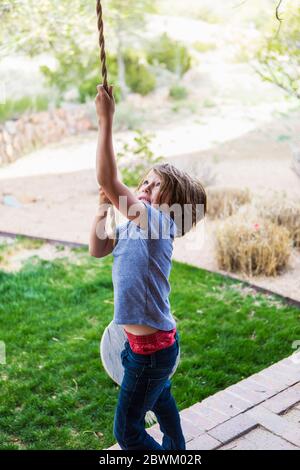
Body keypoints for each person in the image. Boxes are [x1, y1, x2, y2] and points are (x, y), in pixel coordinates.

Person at [89, 84, 207, 450]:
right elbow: (98, 248)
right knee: (160, 397)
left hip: (150, 350)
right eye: (145, 181)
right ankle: (176, 446)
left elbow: (108, 179)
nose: (143, 187)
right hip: (143, 345)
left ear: (171, 207)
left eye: (156, 187)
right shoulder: (136, 226)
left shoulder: (157, 224)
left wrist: (105, 119)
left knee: (127, 431)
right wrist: (104, 208)